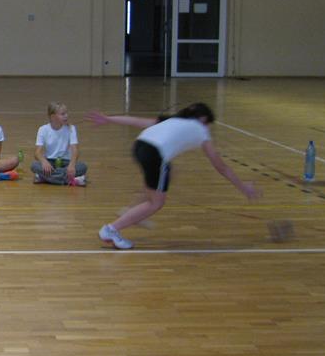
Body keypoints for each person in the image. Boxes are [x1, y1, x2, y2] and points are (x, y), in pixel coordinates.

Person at [88, 102, 260, 250]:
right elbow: (220, 166)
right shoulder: (200, 129)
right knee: (156, 202)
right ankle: (112, 229)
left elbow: (139, 121)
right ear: (203, 119)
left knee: (165, 174)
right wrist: (243, 187)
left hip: (140, 146)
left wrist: (109, 119)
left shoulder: (173, 120)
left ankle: (133, 212)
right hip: (155, 154)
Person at [32, 101, 87, 186]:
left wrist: (72, 165)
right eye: (62, 114)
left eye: (66, 113)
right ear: (53, 117)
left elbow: (75, 150)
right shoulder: (43, 129)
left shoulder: (71, 128)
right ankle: (71, 180)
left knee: (82, 166)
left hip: (66, 162)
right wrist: (44, 161)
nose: (66, 116)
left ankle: (46, 178)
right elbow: (37, 153)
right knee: (34, 165)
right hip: (50, 162)